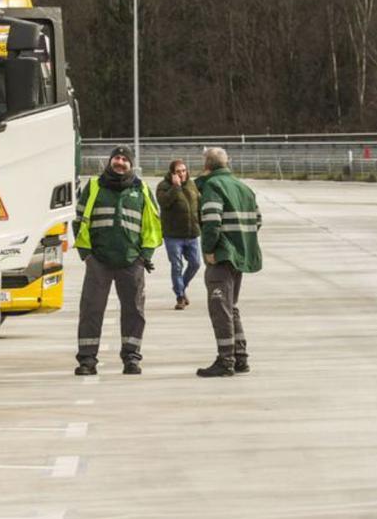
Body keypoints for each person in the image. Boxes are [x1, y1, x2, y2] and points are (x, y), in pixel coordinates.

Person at [72, 145, 163, 376]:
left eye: (124, 159)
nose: (120, 162)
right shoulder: (93, 187)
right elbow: (79, 221)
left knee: (134, 311)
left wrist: (145, 256)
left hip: (131, 262)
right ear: (110, 161)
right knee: (91, 310)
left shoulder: (141, 189)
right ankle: (87, 360)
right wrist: (87, 256)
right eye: (116, 158)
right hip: (98, 262)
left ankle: (131, 358)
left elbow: (152, 225)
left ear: (131, 164)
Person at [196, 146, 262, 377]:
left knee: (220, 308)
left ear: (206, 165)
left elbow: (212, 221)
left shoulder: (213, 186)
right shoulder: (243, 187)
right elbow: (258, 220)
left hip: (222, 256)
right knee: (231, 307)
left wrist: (209, 249)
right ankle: (240, 356)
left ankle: (226, 360)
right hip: (240, 255)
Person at [155, 158, 201, 310]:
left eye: (184, 170)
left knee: (195, 264)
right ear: (172, 173)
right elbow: (164, 203)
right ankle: (180, 296)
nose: (182, 174)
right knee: (177, 265)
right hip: (173, 235)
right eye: (178, 171)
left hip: (192, 233)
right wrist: (175, 187)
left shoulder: (192, 185)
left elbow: (198, 205)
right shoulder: (163, 186)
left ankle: (180, 286)